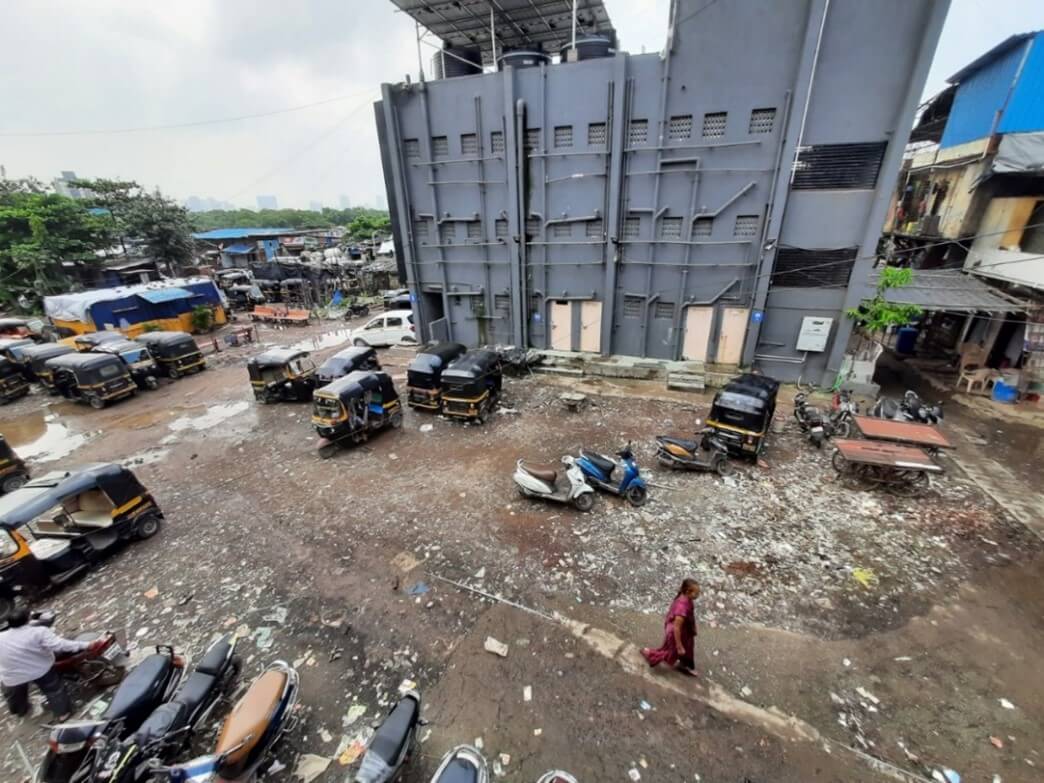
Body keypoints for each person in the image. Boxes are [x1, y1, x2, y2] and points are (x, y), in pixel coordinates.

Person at [0, 608, 96, 720]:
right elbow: (60, 645)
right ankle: (63, 714)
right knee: (54, 690)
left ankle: (20, 711)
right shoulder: (39, 632)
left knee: (14, 695)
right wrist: (86, 645)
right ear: (28, 619)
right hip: (40, 670)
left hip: (12, 675)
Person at [641, 578, 700, 676]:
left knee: (688, 649)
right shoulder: (683, 607)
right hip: (676, 633)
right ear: (688, 591)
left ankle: (684, 665)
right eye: (696, 593)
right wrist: (679, 645)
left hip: (684, 631)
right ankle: (649, 654)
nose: (698, 595)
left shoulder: (687, 599)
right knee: (671, 653)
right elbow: (677, 627)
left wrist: (693, 627)